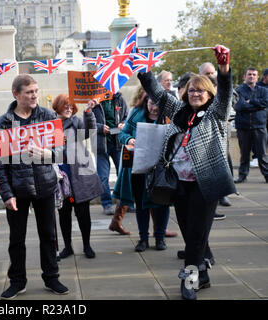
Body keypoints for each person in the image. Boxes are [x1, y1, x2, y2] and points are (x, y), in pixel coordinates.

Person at [137, 45, 235, 300]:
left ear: (209, 93)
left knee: (194, 237)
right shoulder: (179, 112)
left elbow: (225, 93)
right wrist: (143, 70)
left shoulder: (216, 113)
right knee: (190, 232)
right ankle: (202, 275)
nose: (195, 93)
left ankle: (189, 281)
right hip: (178, 183)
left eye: (200, 90)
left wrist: (223, 68)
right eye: (191, 90)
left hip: (206, 184)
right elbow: (158, 94)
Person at [0, 74, 68, 299]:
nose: (34, 95)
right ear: (16, 94)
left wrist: (47, 154)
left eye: (36, 91)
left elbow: (62, 152)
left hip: (45, 186)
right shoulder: (3, 123)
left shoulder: (47, 116)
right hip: (17, 190)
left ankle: (52, 278)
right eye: (29, 92)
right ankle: (17, 281)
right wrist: (6, 194)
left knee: (48, 235)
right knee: (16, 239)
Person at [111, 89, 170, 251]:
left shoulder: (169, 116)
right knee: (142, 203)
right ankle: (143, 239)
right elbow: (123, 134)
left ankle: (160, 238)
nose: (154, 108)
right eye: (151, 103)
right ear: (146, 100)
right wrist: (130, 139)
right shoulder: (136, 112)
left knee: (162, 203)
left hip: (161, 168)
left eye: (158, 105)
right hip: (139, 166)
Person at [52, 94, 103, 259]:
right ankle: (68, 247)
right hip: (61, 174)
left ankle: (87, 245)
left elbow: (89, 131)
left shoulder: (76, 122)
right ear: (58, 107)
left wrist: (88, 112)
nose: (68, 108)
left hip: (79, 174)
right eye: (65, 106)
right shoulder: (49, 124)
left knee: (83, 213)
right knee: (64, 213)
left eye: (71, 106)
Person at [199, 64, 232, 215]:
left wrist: (224, 73)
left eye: (213, 72)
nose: (211, 75)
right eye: (208, 73)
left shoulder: (219, 89)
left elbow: (228, 95)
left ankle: (221, 195)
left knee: (223, 162)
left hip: (220, 134)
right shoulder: (197, 90)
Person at [92, 92, 129, 215]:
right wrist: (99, 127)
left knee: (123, 174)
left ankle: (125, 203)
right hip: (101, 144)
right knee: (103, 176)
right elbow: (87, 122)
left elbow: (126, 117)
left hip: (118, 142)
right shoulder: (94, 101)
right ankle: (107, 204)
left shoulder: (120, 99)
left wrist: (123, 124)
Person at [234, 68, 268, 183]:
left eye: (254, 75)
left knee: (262, 154)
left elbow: (266, 103)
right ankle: (242, 176)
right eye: (249, 74)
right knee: (244, 154)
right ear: (244, 77)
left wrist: (251, 102)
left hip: (260, 126)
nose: (252, 76)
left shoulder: (264, 91)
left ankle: (267, 175)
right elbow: (239, 106)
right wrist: (258, 106)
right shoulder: (238, 90)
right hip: (243, 127)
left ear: (257, 77)